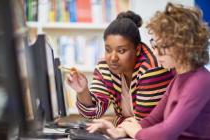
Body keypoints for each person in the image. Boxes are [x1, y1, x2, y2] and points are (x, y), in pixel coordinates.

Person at [66, 10, 175, 132]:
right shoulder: (105, 66)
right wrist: (82, 91)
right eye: (108, 49)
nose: (113, 58)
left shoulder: (151, 69)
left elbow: (144, 125)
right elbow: (92, 114)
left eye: (121, 51)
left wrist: (112, 121)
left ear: (137, 49)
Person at [114, 3, 210, 140]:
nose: (155, 51)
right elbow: (152, 120)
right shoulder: (178, 78)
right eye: (154, 44)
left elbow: (166, 133)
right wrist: (121, 132)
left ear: (184, 45)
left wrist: (135, 132)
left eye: (163, 45)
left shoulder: (200, 81)